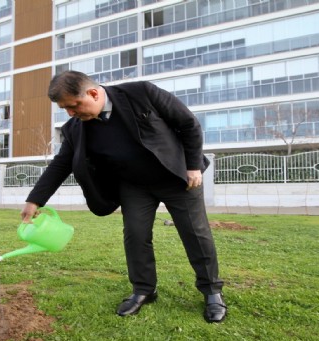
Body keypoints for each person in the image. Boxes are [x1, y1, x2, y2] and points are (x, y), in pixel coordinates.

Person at [21, 71, 226, 323]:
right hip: (133, 186)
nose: (71, 113)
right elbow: (60, 164)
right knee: (136, 236)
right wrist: (35, 200)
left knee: (195, 233)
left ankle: (212, 292)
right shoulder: (74, 128)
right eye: (65, 109)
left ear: (93, 93)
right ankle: (144, 290)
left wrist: (193, 165)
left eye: (73, 106)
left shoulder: (141, 93)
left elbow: (188, 123)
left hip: (177, 178)